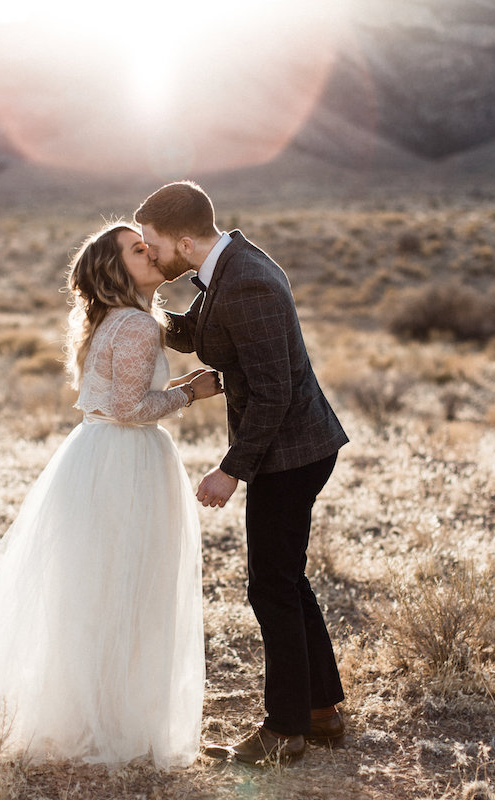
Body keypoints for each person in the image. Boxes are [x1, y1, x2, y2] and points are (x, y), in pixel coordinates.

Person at [0, 222, 223, 769]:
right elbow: (130, 408)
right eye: (137, 250)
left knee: (93, 587)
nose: (150, 252)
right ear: (115, 269)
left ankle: (87, 713)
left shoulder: (109, 321)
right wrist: (189, 392)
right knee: (127, 586)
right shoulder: (134, 326)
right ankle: (115, 724)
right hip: (126, 461)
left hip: (97, 455)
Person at [134, 181, 349, 765]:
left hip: (292, 451)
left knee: (270, 586)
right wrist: (136, 305)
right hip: (292, 447)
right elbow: (193, 335)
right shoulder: (224, 267)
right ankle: (321, 710)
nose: (151, 255)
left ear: (183, 240)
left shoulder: (245, 280)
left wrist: (230, 470)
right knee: (288, 580)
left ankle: (285, 731)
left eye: (153, 246)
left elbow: (274, 393)